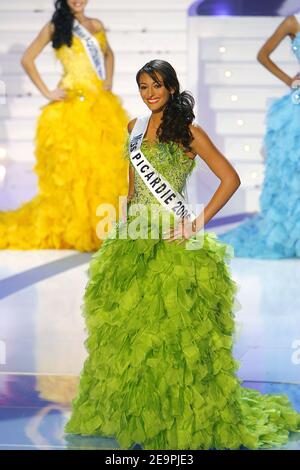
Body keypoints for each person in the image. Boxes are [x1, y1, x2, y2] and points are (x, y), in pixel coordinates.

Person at [65, 60, 300, 450]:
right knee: (129, 334)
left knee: (172, 337)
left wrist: (197, 221)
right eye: (143, 86)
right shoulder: (133, 128)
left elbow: (230, 178)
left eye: (156, 85)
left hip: (175, 242)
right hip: (134, 241)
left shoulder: (189, 132)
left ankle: (174, 414)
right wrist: (123, 231)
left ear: (172, 87)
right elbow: (133, 184)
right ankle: (134, 410)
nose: (150, 93)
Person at [0, 0, 128, 251]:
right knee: (75, 173)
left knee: (102, 169)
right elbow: (28, 59)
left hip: (101, 108)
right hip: (71, 108)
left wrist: (108, 80)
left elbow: (109, 54)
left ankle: (99, 225)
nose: (78, 1)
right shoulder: (55, 26)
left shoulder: (96, 24)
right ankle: (76, 225)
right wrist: (48, 92)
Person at [219, 13, 300, 258]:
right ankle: (291, 235)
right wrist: (290, 80)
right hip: (296, 108)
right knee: (291, 173)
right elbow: (262, 55)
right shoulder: (293, 22)